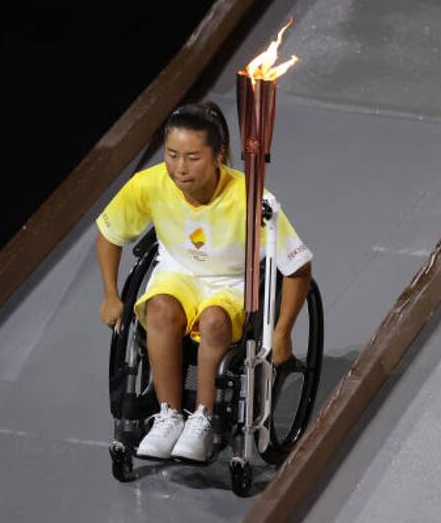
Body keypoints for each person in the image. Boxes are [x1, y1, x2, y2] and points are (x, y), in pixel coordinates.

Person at [96, 100, 312, 463]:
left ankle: (203, 418)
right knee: (160, 309)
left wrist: (282, 332)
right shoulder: (148, 185)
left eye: (193, 157)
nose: (180, 168)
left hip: (231, 283)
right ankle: (168, 416)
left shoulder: (252, 198)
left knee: (213, 321)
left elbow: (298, 267)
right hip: (177, 274)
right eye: (172, 154)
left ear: (218, 156)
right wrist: (110, 295)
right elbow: (109, 234)